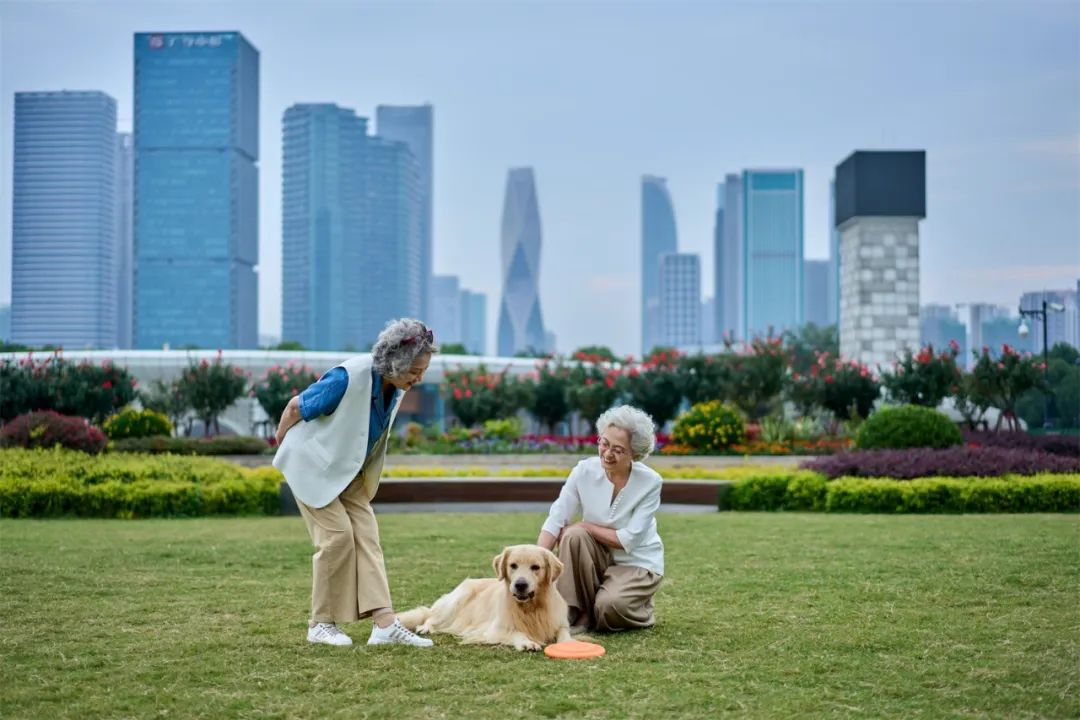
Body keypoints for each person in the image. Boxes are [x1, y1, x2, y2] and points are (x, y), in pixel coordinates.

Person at [273, 318, 436, 647]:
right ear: (395, 363)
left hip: (346, 474)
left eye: (423, 370)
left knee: (366, 536)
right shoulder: (349, 376)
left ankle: (385, 624)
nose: (419, 378)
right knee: (337, 538)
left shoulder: (396, 386)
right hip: (312, 466)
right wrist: (281, 442)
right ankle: (320, 624)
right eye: (415, 371)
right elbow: (295, 407)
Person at [536, 405, 665, 634]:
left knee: (609, 608)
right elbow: (556, 518)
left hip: (636, 562)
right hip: (595, 558)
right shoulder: (583, 471)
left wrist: (585, 525)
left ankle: (636, 606)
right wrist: (535, 564)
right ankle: (581, 614)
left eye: (618, 449)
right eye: (604, 443)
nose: (607, 453)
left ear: (634, 453)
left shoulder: (651, 482)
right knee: (574, 535)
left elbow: (629, 540)